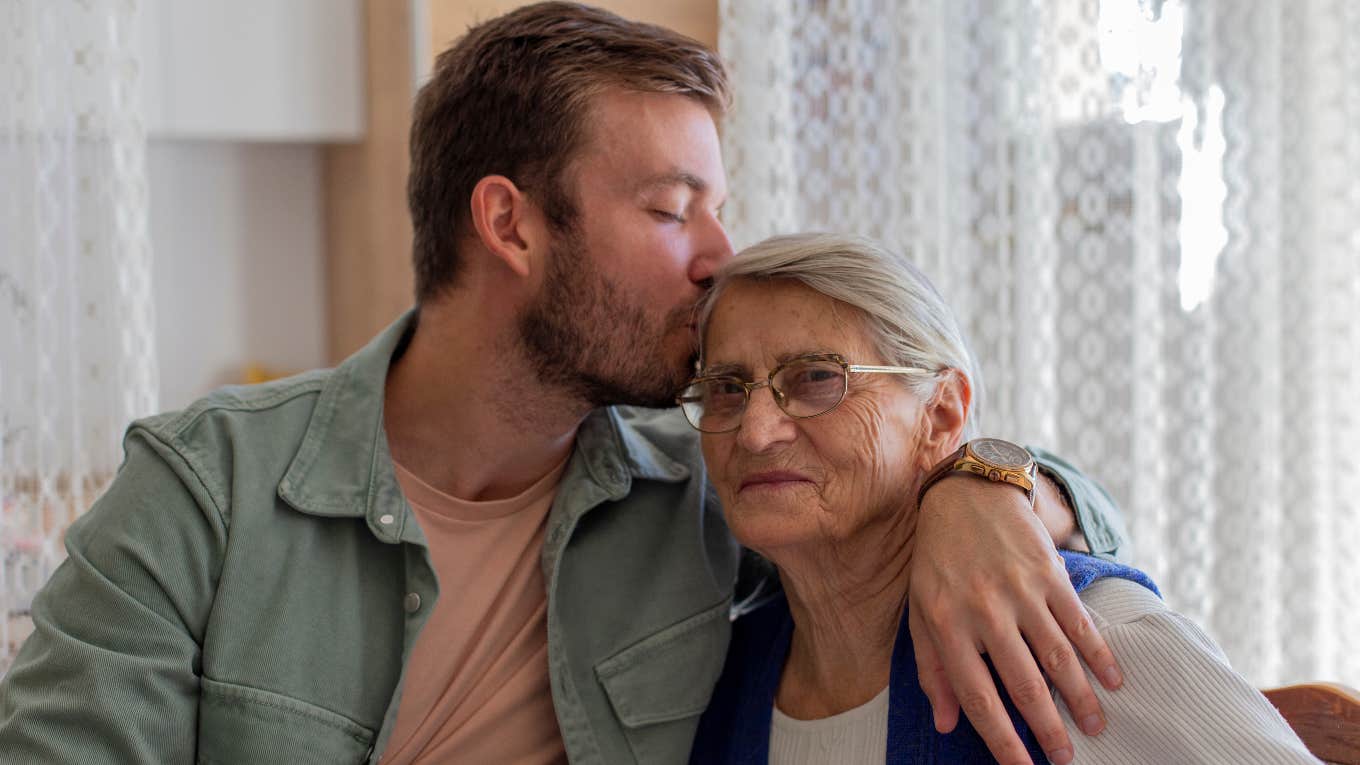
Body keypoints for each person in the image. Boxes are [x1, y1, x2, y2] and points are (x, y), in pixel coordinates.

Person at [1, 4, 1128, 764]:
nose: (718, 254)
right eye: (669, 208)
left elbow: (976, 469)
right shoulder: (206, 491)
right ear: (510, 225)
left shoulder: (714, 489)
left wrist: (984, 488)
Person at [685, 233, 1318, 764]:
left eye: (818, 378)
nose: (758, 431)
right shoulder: (726, 674)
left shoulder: (1088, 636)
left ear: (940, 415)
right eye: (726, 388)